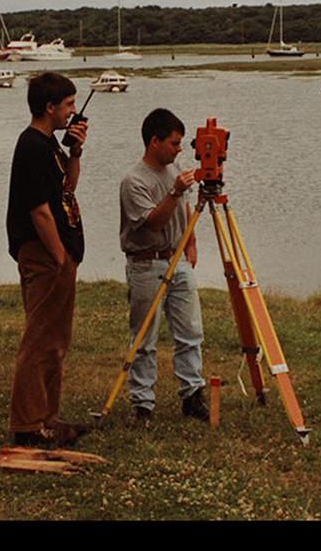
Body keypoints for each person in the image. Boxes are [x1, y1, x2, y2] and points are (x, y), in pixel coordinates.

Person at [5, 72, 89, 448]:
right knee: (39, 338)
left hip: (59, 253)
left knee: (56, 339)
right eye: (68, 105)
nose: (72, 111)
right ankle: (26, 425)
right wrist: (58, 257)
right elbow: (39, 210)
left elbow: (66, 189)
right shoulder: (32, 146)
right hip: (44, 254)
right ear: (49, 107)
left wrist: (75, 152)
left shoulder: (51, 146)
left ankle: (47, 418)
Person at [119, 108, 207, 424]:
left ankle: (192, 394)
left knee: (191, 332)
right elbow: (153, 222)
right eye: (173, 143)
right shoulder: (134, 181)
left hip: (177, 258)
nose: (179, 149)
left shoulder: (174, 170)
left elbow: (183, 211)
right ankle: (142, 404)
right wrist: (176, 191)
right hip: (146, 265)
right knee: (144, 337)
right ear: (154, 142)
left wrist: (191, 242)